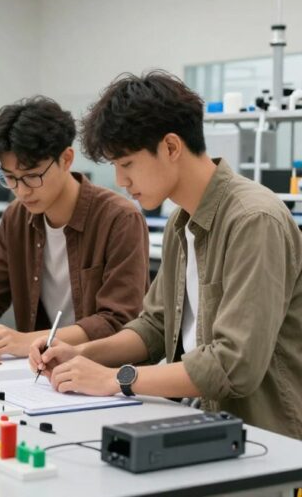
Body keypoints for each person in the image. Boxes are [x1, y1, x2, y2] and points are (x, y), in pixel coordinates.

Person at [31, 70, 302, 440]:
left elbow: (233, 365)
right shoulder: (181, 221)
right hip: (198, 421)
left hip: (263, 439)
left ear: (172, 147)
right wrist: (83, 354)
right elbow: (154, 327)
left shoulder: (254, 220)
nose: (122, 182)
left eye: (126, 164)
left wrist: (116, 379)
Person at [0, 97, 148, 357]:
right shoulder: (16, 217)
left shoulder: (119, 219)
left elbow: (118, 322)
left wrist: (27, 341)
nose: (21, 191)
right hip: (40, 376)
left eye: (33, 176)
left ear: (66, 159)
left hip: (102, 374)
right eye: (10, 178)